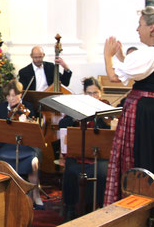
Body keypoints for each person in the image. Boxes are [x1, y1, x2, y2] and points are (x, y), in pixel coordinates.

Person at [102, 6, 154, 205]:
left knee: (144, 159)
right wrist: (121, 56)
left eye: (140, 25)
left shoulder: (153, 53)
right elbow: (141, 73)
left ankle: (138, 207)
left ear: (152, 28)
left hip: (145, 117)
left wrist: (107, 55)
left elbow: (113, 76)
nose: (137, 29)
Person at [0, 80, 43, 208]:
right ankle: (3, 195)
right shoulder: (1, 108)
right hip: (7, 145)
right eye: (8, 96)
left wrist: (26, 122)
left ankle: (36, 194)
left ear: (20, 94)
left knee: (33, 162)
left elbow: (34, 128)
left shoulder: (27, 107)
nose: (11, 99)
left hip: (26, 146)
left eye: (14, 95)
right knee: (0, 160)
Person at [59, 77, 110, 219]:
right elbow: (63, 123)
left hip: (100, 155)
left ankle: (97, 208)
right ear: (84, 94)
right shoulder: (79, 107)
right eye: (89, 93)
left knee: (101, 173)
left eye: (95, 93)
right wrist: (77, 117)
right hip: (79, 153)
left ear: (100, 93)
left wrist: (104, 119)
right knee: (71, 170)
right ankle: (71, 208)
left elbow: (110, 131)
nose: (93, 96)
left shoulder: (106, 110)